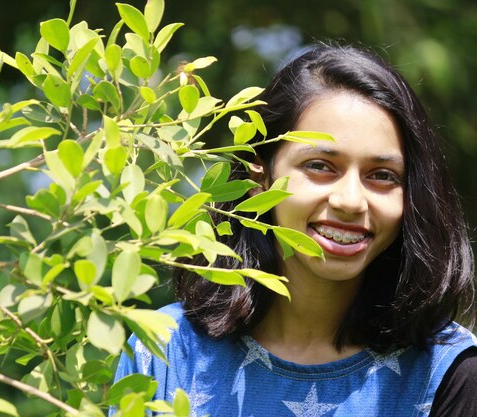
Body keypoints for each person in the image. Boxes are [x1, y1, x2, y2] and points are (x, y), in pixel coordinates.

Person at [112, 44, 477, 416]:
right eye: (320, 166)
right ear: (259, 179)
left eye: (382, 176)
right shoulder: (165, 349)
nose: (351, 201)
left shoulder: (450, 373)